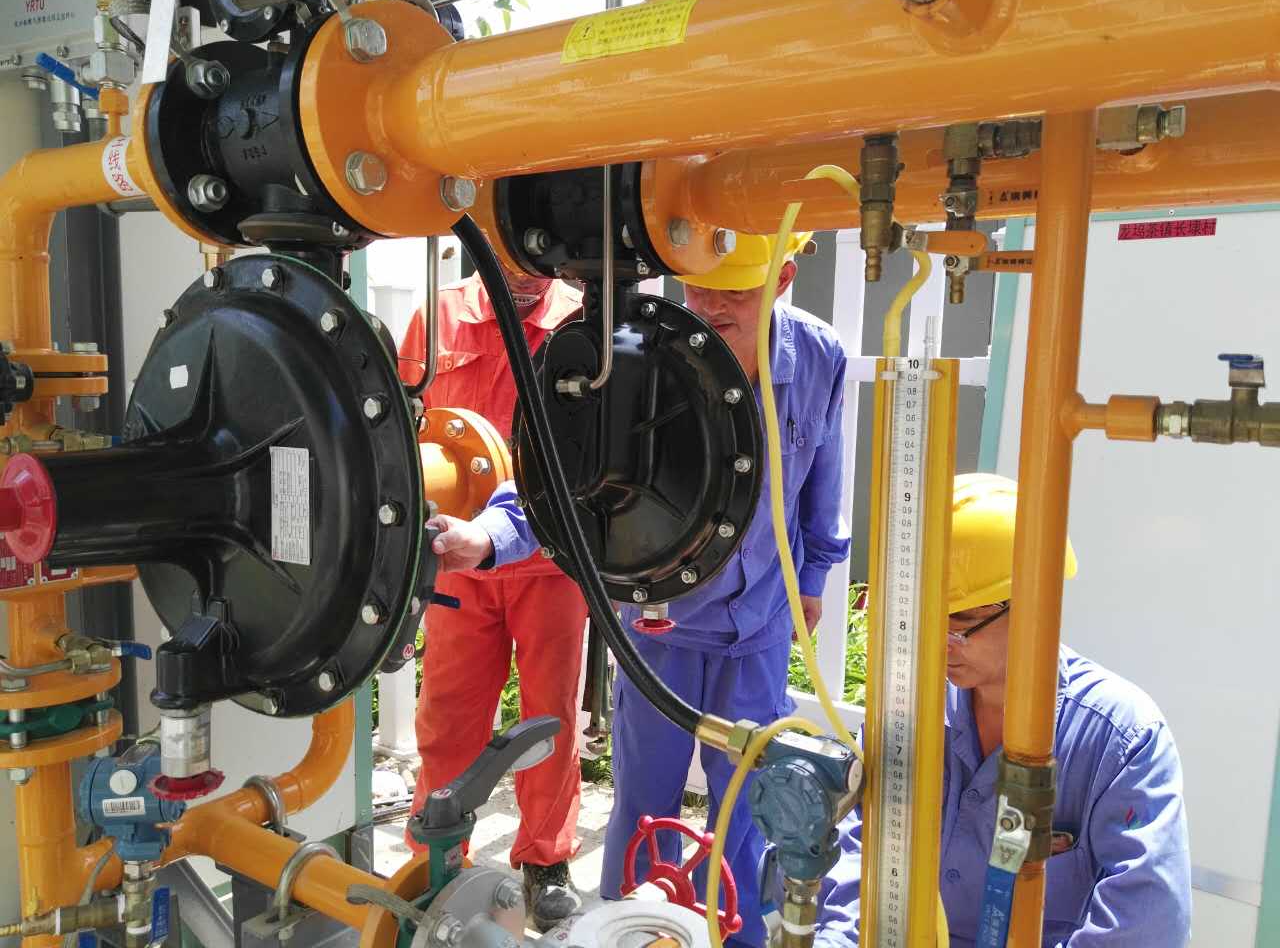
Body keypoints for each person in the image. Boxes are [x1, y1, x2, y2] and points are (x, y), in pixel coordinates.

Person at [429, 232, 851, 948]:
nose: (710, 304)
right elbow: (565, 479)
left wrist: (812, 579)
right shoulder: (642, 349)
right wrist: (489, 537)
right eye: (698, 283)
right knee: (644, 808)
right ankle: (627, 930)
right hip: (661, 625)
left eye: (735, 290)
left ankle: (734, 936)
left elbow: (824, 480)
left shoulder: (817, 355)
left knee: (744, 809)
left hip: (761, 620)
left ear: (782, 277)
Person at [816, 473, 1192, 947]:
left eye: (961, 620)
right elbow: (859, 847)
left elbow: (1146, 924)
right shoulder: (909, 711)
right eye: (927, 618)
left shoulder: (1122, 740)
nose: (939, 643)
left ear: (1037, 603)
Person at [397, 265, 589, 932]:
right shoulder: (438, 316)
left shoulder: (580, 322)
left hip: (551, 561)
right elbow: (402, 429)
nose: (520, 267)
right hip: (457, 564)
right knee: (448, 714)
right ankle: (437, 855)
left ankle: (546, 860)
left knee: (550, 715)